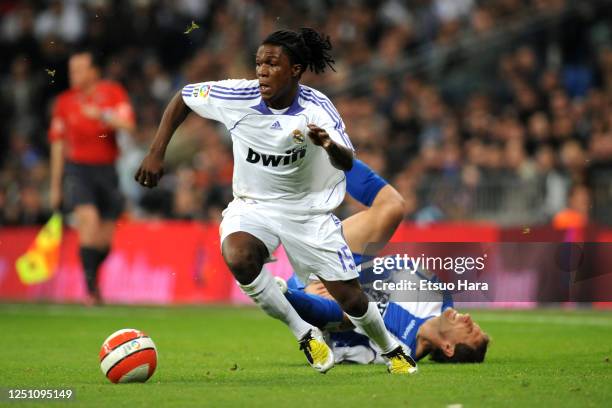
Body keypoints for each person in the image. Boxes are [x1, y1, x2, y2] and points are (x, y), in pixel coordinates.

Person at [135, 28, 416, 374]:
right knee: (238, 255)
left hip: (308, 212)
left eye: (272, 63)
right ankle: (304, 334)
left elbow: (346, 160)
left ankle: (391, 350)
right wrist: (155, 152)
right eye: (258, 63)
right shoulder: (236, 95)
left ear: (295, 69)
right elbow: (183, 97)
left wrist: (328, 144)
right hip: (254, 205)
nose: (262, 71)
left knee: (351, 299)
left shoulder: (317, 108)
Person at [278, 159, 489, 364]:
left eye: (468, 329)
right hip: (348, 264)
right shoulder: (442, 297)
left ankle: (279, 289)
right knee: (393, 207)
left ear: (448, 348)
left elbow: (341, 319)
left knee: (352, 310)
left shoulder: (400, 348)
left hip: (319, 295)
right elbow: (394, 264)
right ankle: (329, 156)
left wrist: (288, 295)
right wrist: (349, 274)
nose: (468, 317)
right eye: (473, 323)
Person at [48, 49, 135, 305]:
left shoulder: (112, 92)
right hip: (78, 170)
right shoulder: (64, 102)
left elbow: (128, 124)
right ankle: (90, 291)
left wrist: (103, 116)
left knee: (104, 241)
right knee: (88, 221)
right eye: (72, 69)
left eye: (79, 69)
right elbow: (57, 145)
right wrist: (55, 185)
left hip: (107, 170)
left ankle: (92, 277)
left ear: (94, 72)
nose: (73, 74)